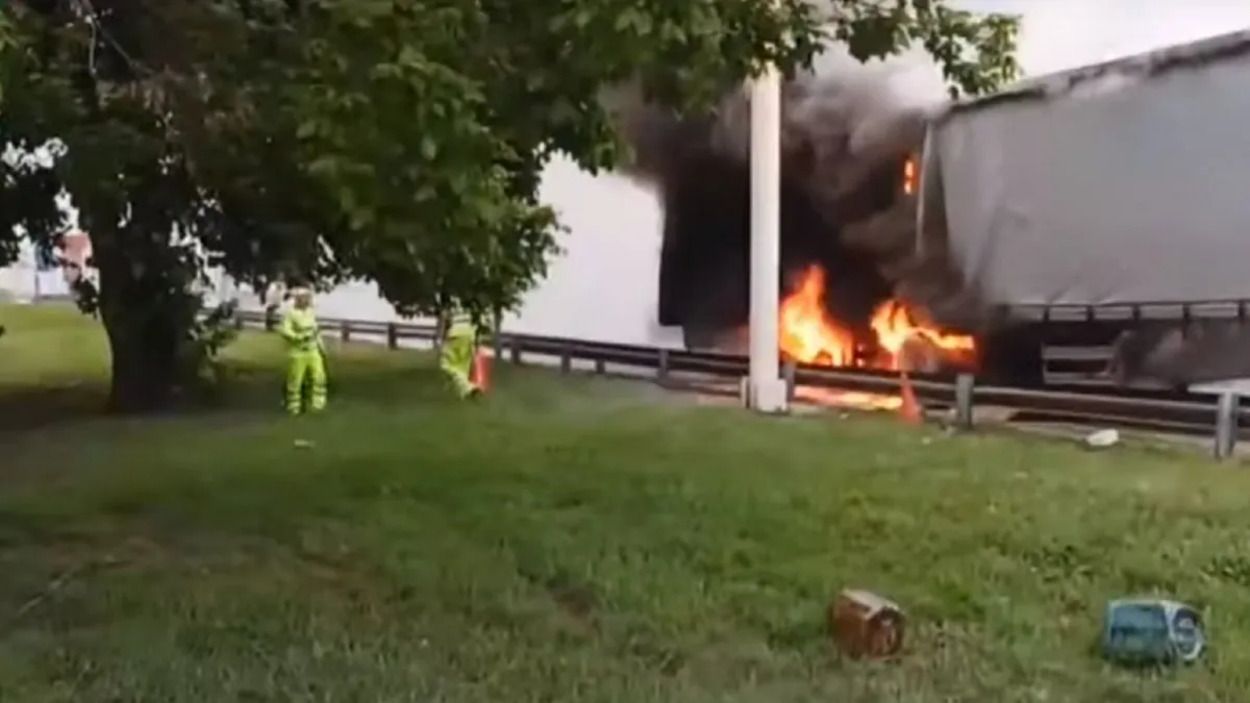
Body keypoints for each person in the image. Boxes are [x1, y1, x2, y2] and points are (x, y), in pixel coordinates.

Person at [279, 287, 327, 414]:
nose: (307, 300)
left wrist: (321, 347)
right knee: (295, 380)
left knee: (319, 376)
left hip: (313, 351)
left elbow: (316, 332)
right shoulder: (291, 314)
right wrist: (298, 337)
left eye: (308, 298)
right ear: (298, 299)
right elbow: (285, 330)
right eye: (304, 298)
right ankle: (293, 406)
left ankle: (318, 404)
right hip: (298, 352)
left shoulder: (311, 312)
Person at [440, 309, 482, 399]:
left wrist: (444, 340)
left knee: (448, 365)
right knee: (463, 366)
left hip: (456, 333)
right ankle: (465, 391)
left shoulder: (449, 305)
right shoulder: (468, 306)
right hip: (469, 333)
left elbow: (445, 320)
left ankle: (468, 388)